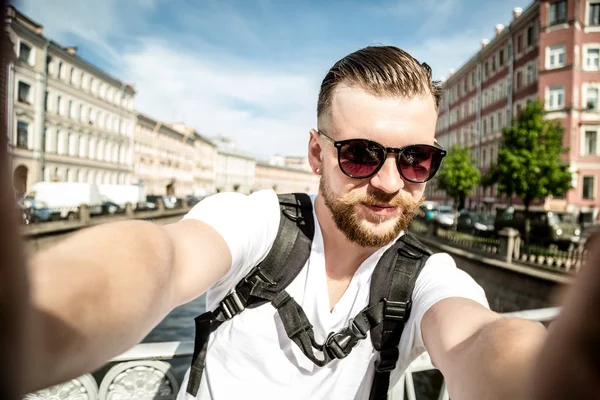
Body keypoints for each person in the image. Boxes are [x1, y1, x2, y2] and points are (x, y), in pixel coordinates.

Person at [6, 45, 600, 400]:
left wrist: (544, 375)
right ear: (317, 154)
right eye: (361, 154)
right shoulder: (258, 224)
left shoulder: (423, 277)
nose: (390, 182)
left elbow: (476, 336)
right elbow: (159, 260)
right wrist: (38, 320)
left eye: (416, 159)